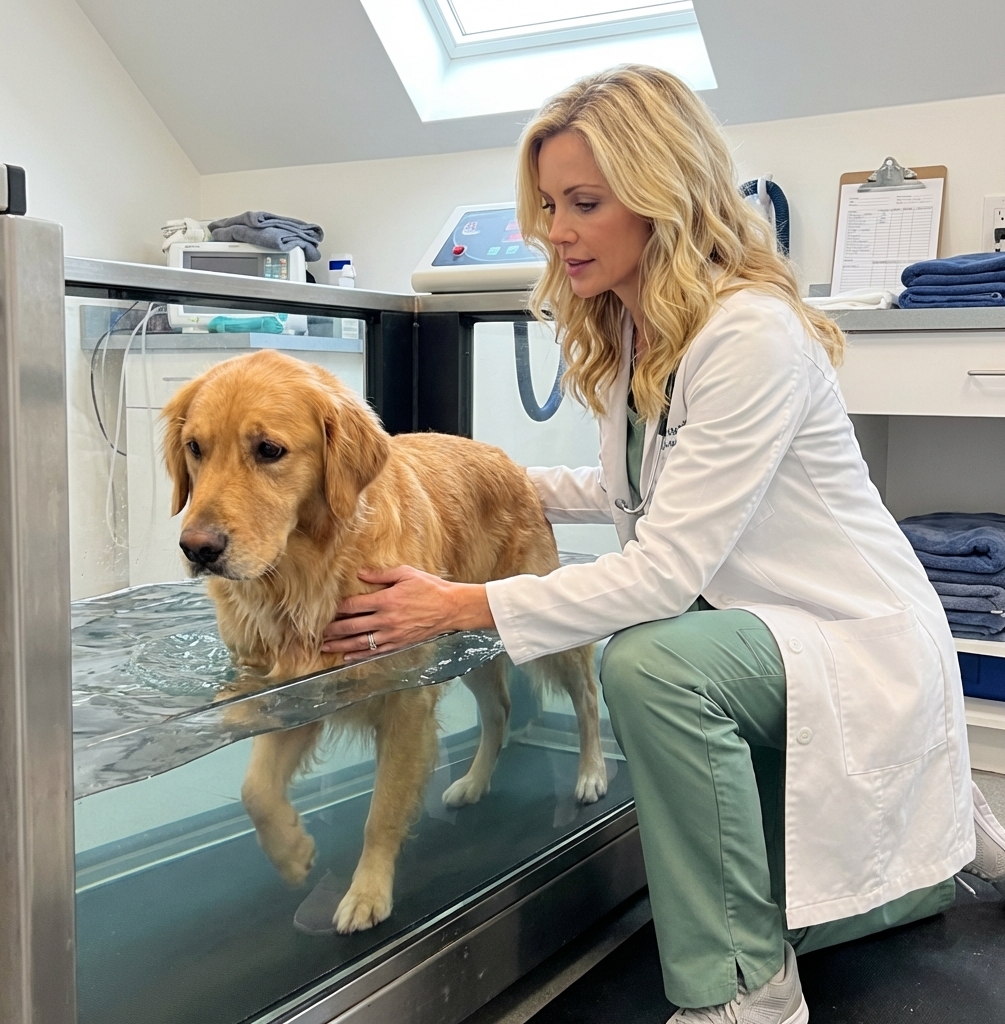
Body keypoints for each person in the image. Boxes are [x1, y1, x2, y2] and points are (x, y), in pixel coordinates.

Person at [323, 65, 1005, 1022]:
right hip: (767, 630)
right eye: (552, 204)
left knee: (651, 663)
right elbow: (630, 491)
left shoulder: (749, 334)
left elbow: (669, 565)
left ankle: (745, 994)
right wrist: (477, 482)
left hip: (853, 637)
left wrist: (462, 603)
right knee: (667, 653)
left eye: (586, 203)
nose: (558, 231)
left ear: (662, 195)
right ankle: (915, 857)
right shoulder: (639, 334)